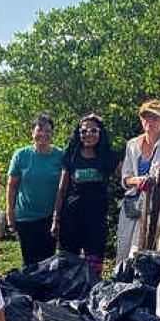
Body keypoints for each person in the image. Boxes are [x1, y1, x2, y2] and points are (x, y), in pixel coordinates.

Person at [115, 100, 160, 261]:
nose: (150, 122)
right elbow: (125, 179)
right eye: (146, 117)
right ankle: (122, 283)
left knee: (142, 252)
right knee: (123, 249)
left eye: (155, 118)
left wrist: (156, 180)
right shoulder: (132, 144)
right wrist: (138, 181)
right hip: (132, 206)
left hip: (156, 208)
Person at [53, 114, 117, 275]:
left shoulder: (108, 157)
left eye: (93, 130)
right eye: (84, 131)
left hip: (96, 220)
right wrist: (56, 218)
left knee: (94, 266)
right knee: (68, 265)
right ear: (78, 134)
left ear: (100, 133)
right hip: (71, 217)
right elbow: (62, 189)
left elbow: (127, 177)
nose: (88, 134)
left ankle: (92, 294)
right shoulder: (71, 155)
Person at [6, 113, 65, 267]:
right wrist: (10, 214)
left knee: (48, 260)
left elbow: (64, 187)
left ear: (52, 134)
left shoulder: (60, 155)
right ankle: (30, 291)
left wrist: (58, 218)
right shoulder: (21, 155)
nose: (43, 134)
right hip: (25, 216)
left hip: (50, 217)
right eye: (39, 130)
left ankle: (45, 291)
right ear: (32, 132)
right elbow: (12, 186)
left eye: (47, 131)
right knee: (29, 261)